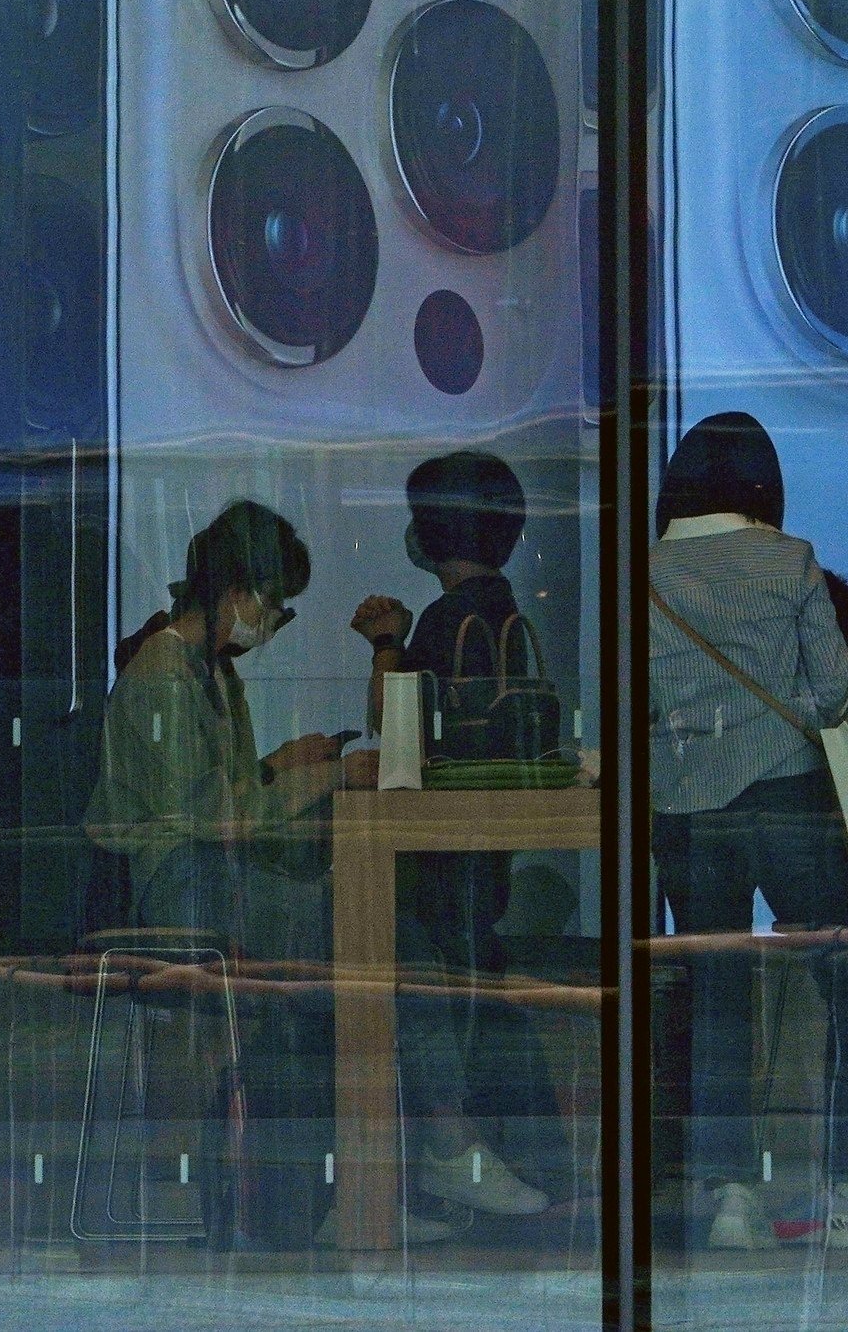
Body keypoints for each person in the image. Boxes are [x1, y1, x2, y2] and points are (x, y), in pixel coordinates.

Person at [93, 499, 534, 1245]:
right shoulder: (168, 671)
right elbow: (213, 816)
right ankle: (440, 1147)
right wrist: (327, 778)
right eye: (275, 606)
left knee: (363, 948)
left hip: (209, 872)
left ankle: (363, 1185)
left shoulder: (206, 669)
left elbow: (223, 798)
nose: (272, 623)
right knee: (373, 938)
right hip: (184, 884)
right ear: (237, 592)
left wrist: (291, 771)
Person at [647, 413, 848, 1255]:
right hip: (782, 799)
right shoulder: (789, 562)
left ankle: (730, 1197)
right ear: (762, 486)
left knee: (715, 999)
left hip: (683, 810)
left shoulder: (646, 574)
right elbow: (828, 694)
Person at [349, 450, 559, 1217]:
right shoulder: (509, 607)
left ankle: (458, 1160)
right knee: (481, 979)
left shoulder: (444, 619)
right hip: (494, 830)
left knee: (446, 985)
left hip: (442, 840)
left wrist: (385, 645)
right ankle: (505, 1156)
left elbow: (395, 731)